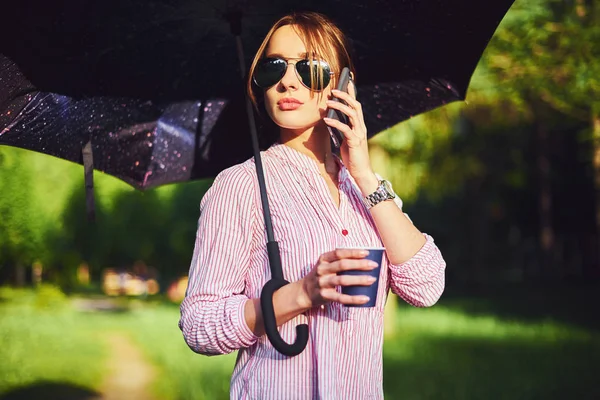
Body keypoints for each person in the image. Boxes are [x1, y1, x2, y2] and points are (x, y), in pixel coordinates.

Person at [179, 11, 446, 399]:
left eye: (310, 68)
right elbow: (199, 324)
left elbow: (427, 286)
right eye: (274, 68)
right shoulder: (240, 185)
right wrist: (301, 293)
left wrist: (366, 174)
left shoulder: (365, 188)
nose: (288, 80)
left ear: (344, 84)